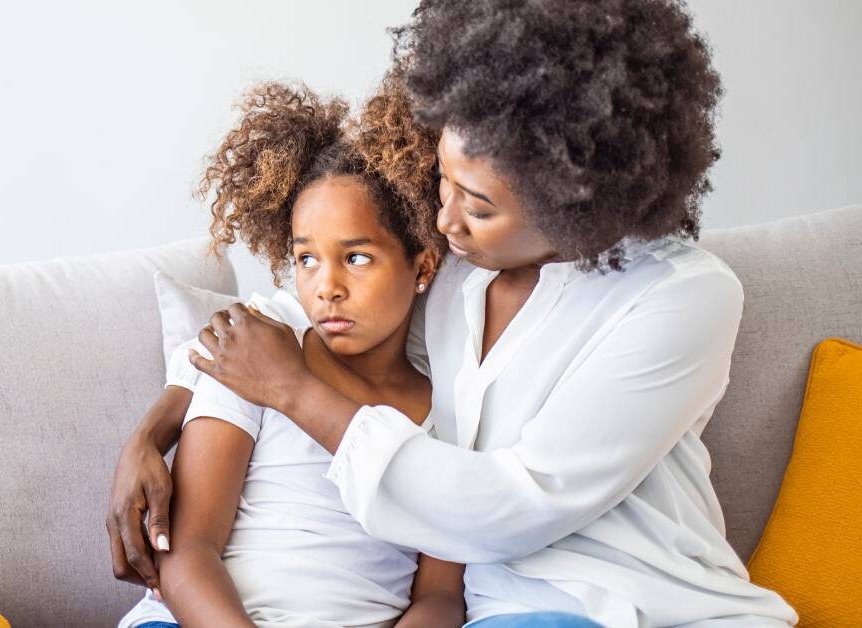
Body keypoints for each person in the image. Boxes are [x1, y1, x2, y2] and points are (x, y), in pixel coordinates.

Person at [110, 1, 798, 625]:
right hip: (500, 609)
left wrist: (293, 390)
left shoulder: (682, 295)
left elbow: (514, 507)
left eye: (478, 205)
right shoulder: (456, 268)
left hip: (634, 596)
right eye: (443, 180)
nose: (443, 220)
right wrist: (151, 432)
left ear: (572, 199)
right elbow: (289, 312)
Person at [118, 78, 467, 628]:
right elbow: (189, 549)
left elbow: (440, 597)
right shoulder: (256, 352)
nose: (326, 286)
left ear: (422, 267)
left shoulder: (449, 412)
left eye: (356, 258)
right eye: (306, 260)